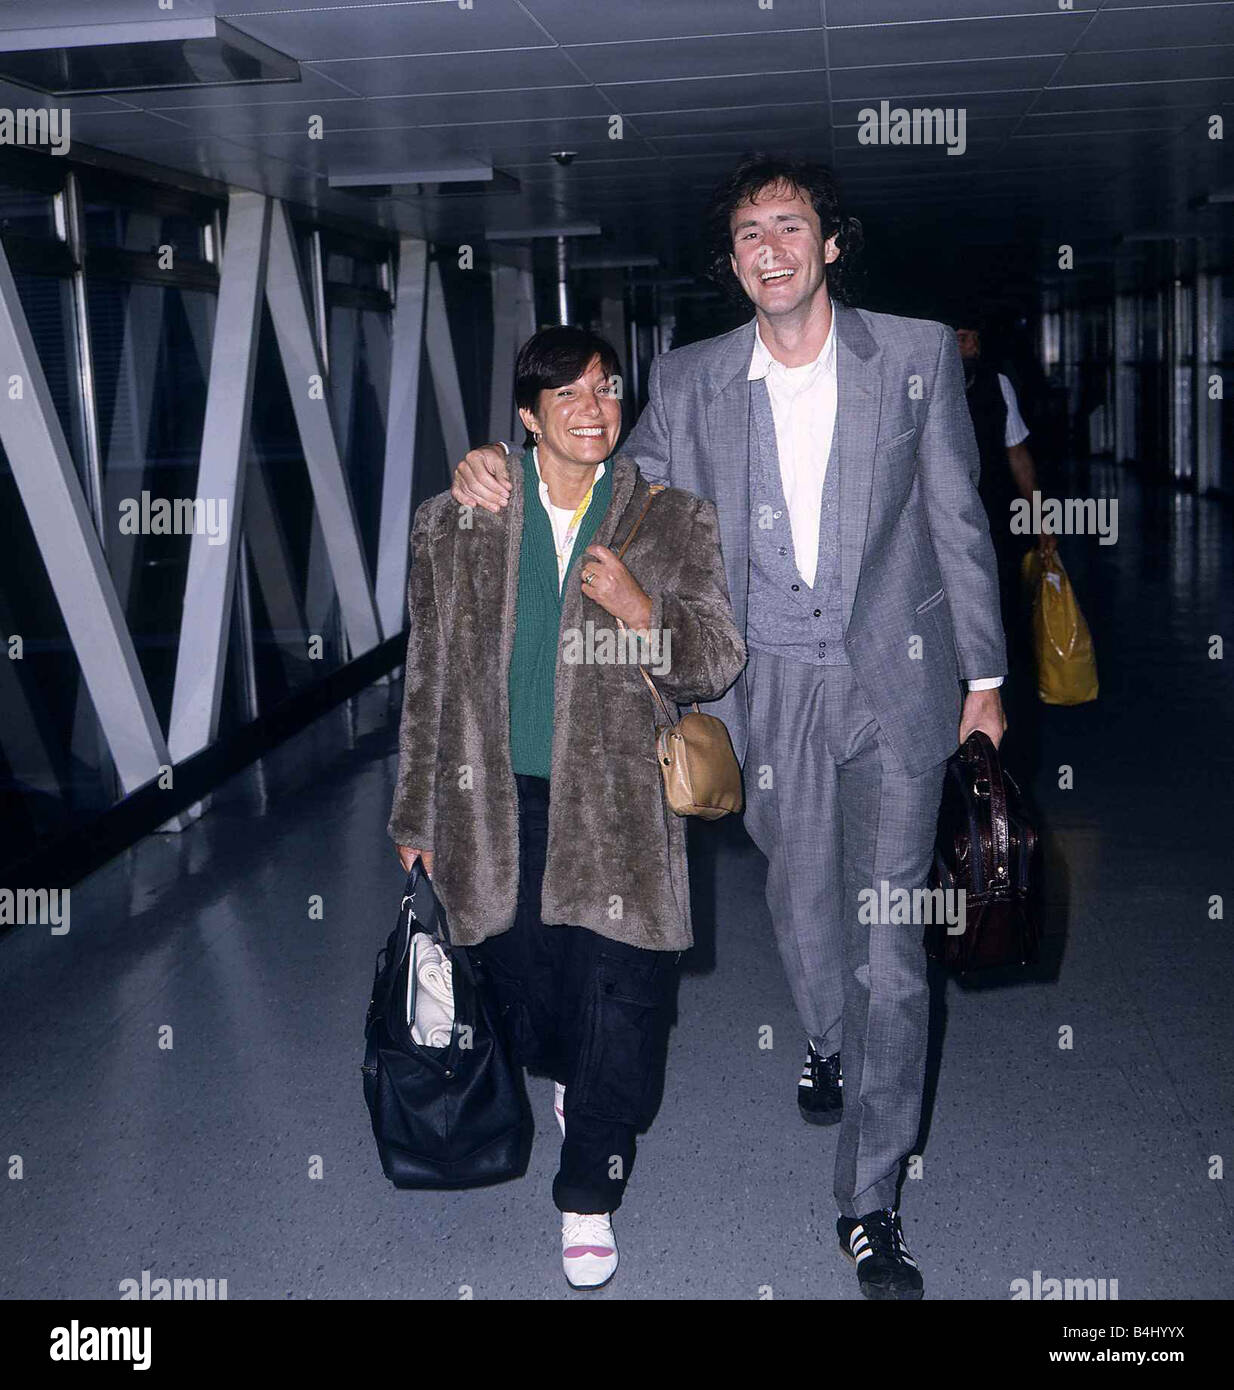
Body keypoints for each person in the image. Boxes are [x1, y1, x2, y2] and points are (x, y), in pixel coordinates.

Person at [451, 155, 1008, 1301]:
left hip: (896, 685)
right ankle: (822, 1032)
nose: (769, 247)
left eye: (789, 226)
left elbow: (957, 511)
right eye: (750, 232)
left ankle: (870, 1202)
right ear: (735, 258)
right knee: (806, 918)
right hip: (762, 691)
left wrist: (986, 678)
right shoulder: (696, 377)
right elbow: (614, 483)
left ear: (829, 243)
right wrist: (498, 468)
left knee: (888, 951)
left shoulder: (908, 355)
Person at [387, 325, 746, 1291]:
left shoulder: (669, 519)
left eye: (606, 389)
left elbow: (716, 659)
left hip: (622, 813)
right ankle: (566, 1081)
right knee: (528, 998)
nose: (595, 410)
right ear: (528, 419)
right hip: (494, 809)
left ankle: (588, 1192)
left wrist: (643, 613)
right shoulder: (456, 521)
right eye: (571, 397)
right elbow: (427, 682)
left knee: (620, 1003)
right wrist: (415, 818)